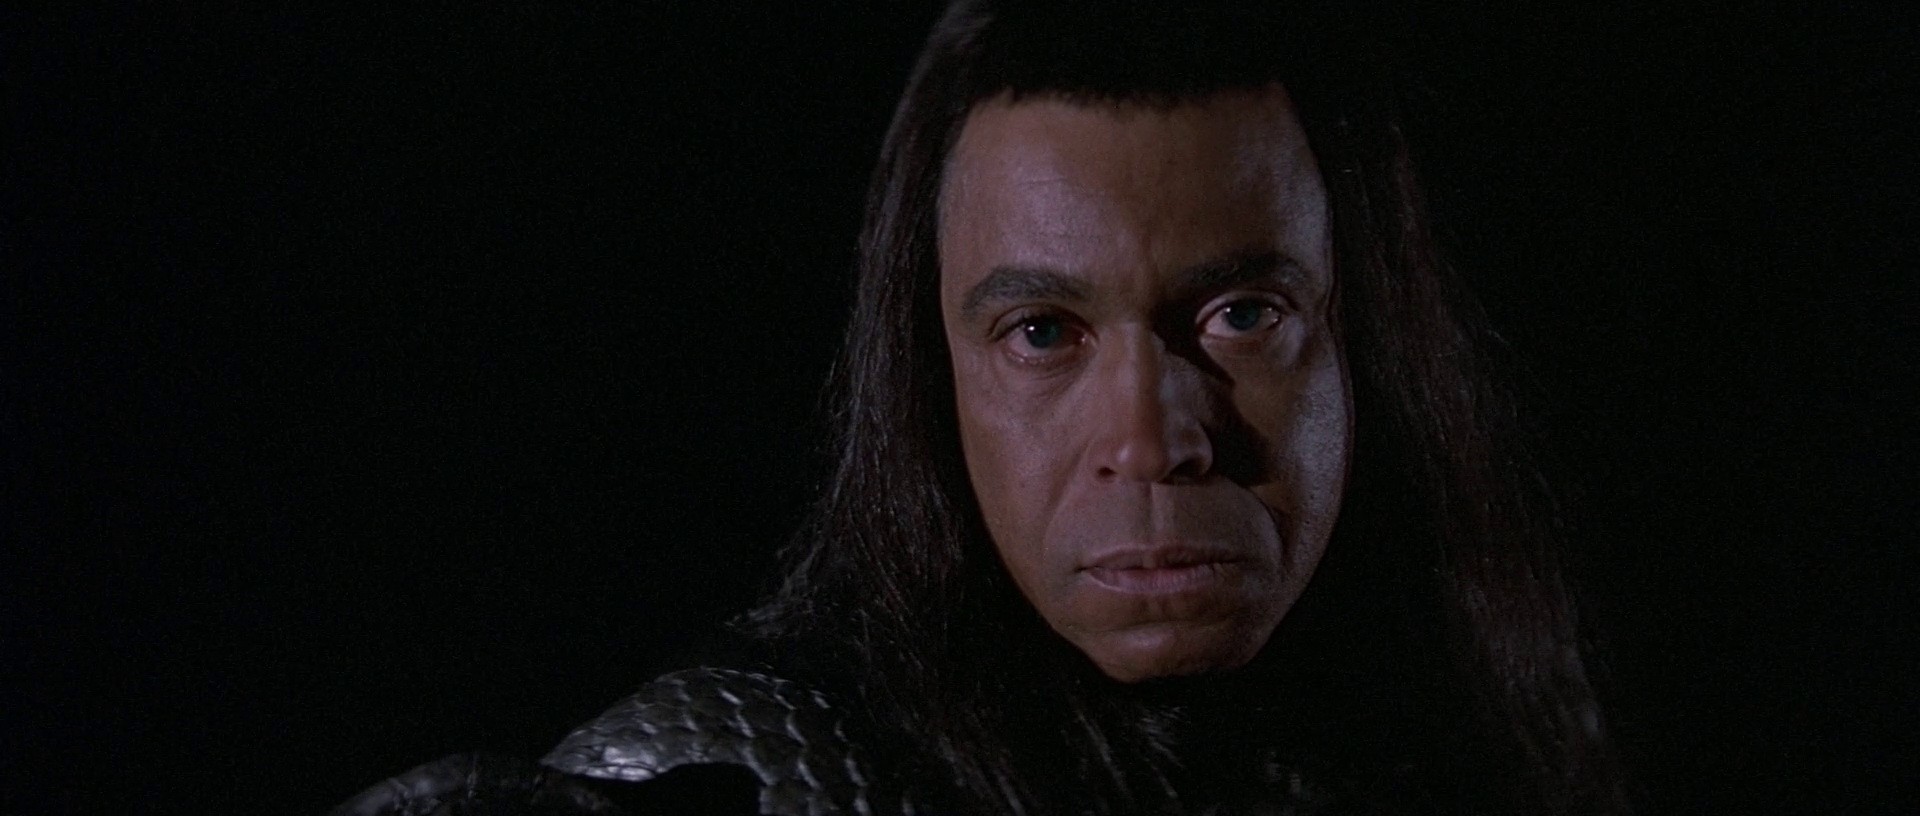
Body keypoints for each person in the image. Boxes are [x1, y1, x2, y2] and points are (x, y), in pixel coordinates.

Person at [334, 2, 1631, 814]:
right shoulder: (745, 772)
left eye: (1241, 316)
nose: (1153, 440)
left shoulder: (1480, 708)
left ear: (1368, 337)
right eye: (1044, 334)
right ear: (933, 379)